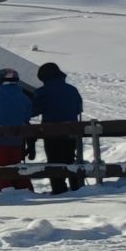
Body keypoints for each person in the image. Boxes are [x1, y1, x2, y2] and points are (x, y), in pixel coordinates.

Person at [36, 62, 85, 194]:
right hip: (71, 131)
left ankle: (59, 189)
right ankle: (76, 187)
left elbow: (34, 109)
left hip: (51, 132)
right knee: (70, 159)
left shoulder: (42, 92)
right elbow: (79, 109)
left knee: (54, 161)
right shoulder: (72, 90)